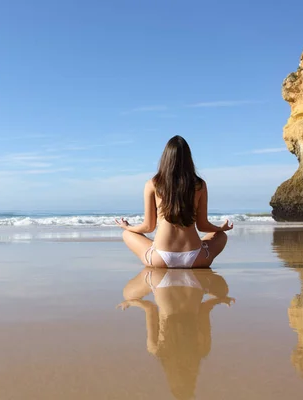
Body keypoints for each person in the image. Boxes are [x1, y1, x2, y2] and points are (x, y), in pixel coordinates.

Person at [115, 135, 232, 268]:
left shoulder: (153, 184)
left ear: (165, 158)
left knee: (127, 234)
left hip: (160, 258)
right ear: (189, 159)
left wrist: (128, 227)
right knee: (221, 235)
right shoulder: (199, 184)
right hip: (196, 258)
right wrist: (221, 228)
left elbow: (148, 227)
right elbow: (203, 225)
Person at [118, 267, 235, 400]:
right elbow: (150, 308)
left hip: (195, 280)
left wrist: (221, 299)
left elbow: (205, 308)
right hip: (160, 278)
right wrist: (131, 302)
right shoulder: (156, 349)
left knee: (221, 292)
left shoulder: (202, 349)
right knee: (128, 294)